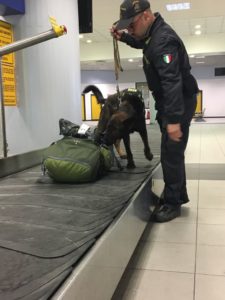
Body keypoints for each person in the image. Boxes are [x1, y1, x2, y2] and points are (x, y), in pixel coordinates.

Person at [111, 0, 199, 222]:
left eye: (131, 25)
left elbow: (172, 83)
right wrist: (123, 37)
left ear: (147, 16)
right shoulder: (153, 35)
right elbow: (143, 44)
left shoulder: (163, 40)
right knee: (171, 153)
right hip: (173, 100)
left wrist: (173, 121)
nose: (129, 29)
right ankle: (176, 194)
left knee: (171, 154)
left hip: (179, 101)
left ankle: (172, 203)